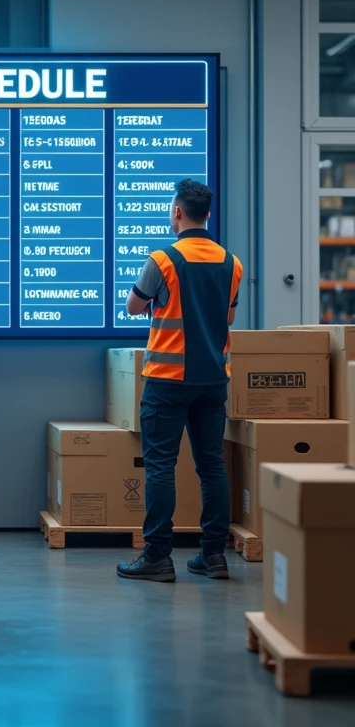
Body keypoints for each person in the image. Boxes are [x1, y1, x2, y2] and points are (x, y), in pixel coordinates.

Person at [116, 179, 243, 583]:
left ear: (177, 212)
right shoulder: (231, 262)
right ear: (207, 214)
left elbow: (133, 306)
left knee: (160, 468)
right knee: (211, 467)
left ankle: (157, 556)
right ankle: (213, 556)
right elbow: (228, 318)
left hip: (168, 381)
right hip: (212, 381)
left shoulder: (163, 260)